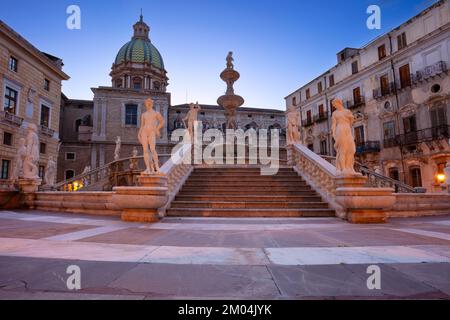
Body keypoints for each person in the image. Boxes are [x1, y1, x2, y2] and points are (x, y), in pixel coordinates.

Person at [138, 97, 165, 174]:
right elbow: (142, 125)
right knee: (145, 150)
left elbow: (162, 122)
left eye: (150, 103)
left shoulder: (156, 113)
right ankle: (148, 168)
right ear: (146, 104)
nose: (148, 104)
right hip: (144, 131)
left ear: (152, 104)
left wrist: (157, 129)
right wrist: (138, 134)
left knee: (153, 149)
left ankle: (157, 167)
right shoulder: (143, 114)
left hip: (152, 131)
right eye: (147, 103)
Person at [331, 99, 357, 175]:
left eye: (334, 104)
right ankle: (343, 168)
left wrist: (351, 118)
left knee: (351, 149)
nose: (333, 105)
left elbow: (351, 122)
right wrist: (334, 134)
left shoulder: (347, 111)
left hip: (347, 129)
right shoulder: (335, 113)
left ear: (339, 103)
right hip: (340, 129)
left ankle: (350, 167)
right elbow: (334, 124)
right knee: (342, 150)